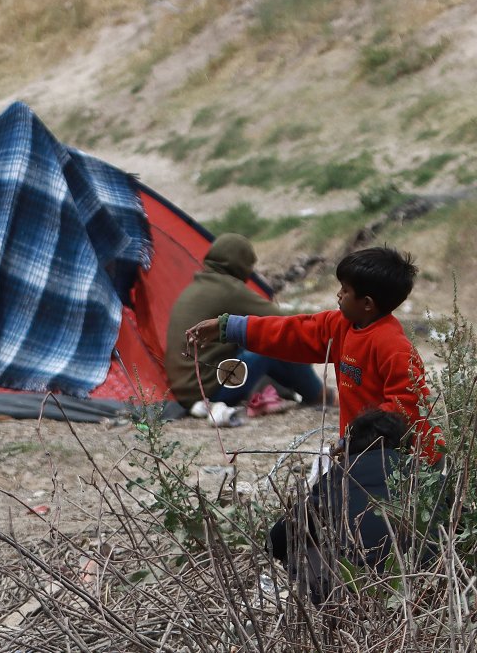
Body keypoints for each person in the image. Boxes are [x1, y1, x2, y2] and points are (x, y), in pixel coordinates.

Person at [186, 246, 438, 462]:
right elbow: (290, 332)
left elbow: (404, 409)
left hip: (409, 462)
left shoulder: (394, 348)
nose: (338, 294)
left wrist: (353, 440)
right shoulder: (339, 326)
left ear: (367, 304)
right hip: (364, 451)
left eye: (345, 290)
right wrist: (228, 327)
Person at [164, 233, 327, 410]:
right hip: (211, 391)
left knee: (245, 337)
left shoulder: (195, 286)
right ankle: (320, 395)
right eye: (250, 265)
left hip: (186, 391)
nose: (250, 271)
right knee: (271, 343)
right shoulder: (229, 289)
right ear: (239, 263)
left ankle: (294, 391)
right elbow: (282, 323)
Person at [268, 410, 410, 605]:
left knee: (303, 539)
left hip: (361, 592)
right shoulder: (424, 473)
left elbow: (279, 537)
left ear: (350, 445)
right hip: (424, 585)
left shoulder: (340, 475)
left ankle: (330, 607)